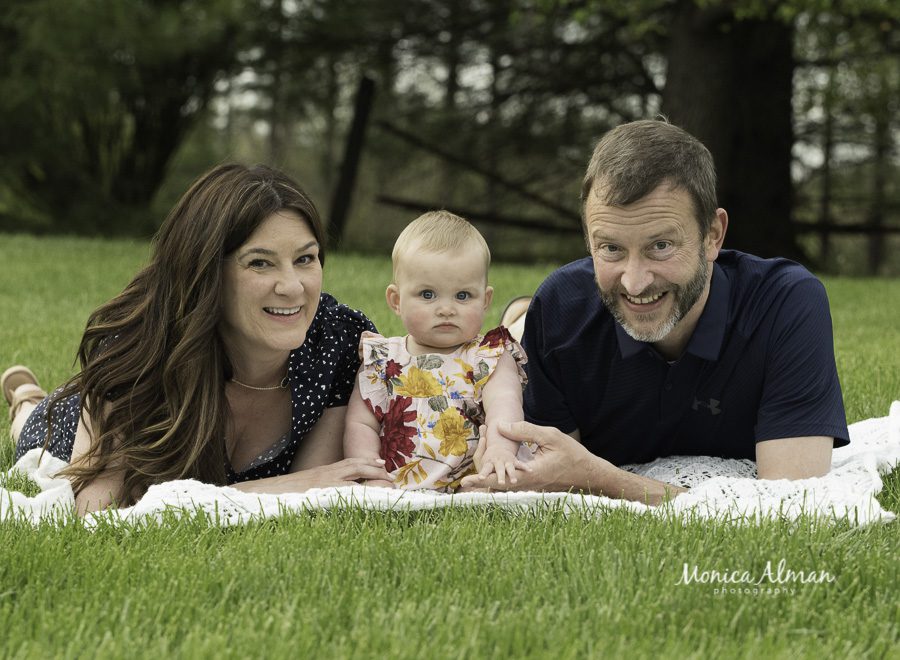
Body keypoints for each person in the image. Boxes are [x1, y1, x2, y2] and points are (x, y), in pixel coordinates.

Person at [461, 119, 849, 503]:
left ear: (713, 235)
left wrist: (599, 479)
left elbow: (795, 504)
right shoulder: (560, 308)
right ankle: (519, 320)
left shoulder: (786, 304)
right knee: (523, 336)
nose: (635, 282)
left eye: (660, 246)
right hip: (551, 315)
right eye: (611, 248)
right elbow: (548, 475)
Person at [3, 163, 392, 514]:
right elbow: (95, 510)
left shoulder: (341, 341)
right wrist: (274, 488)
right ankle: (25, 401)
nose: (292, 287)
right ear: (206, 273)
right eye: (260, 262)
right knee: (33, 439)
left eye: (305, 259)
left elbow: (314, 491)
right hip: (68, 426)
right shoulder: (141, 344)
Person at [343, 211, 531, 491]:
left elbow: (505, 405)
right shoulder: (383, 361)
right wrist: (370, 474)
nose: (446, 308)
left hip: (476, 480)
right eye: (428, 294)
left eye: (463, 295)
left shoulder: (487, 356)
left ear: (485, 300)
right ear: (396, 300)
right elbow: (361, 423)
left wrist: (501, 451)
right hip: (396, 485)